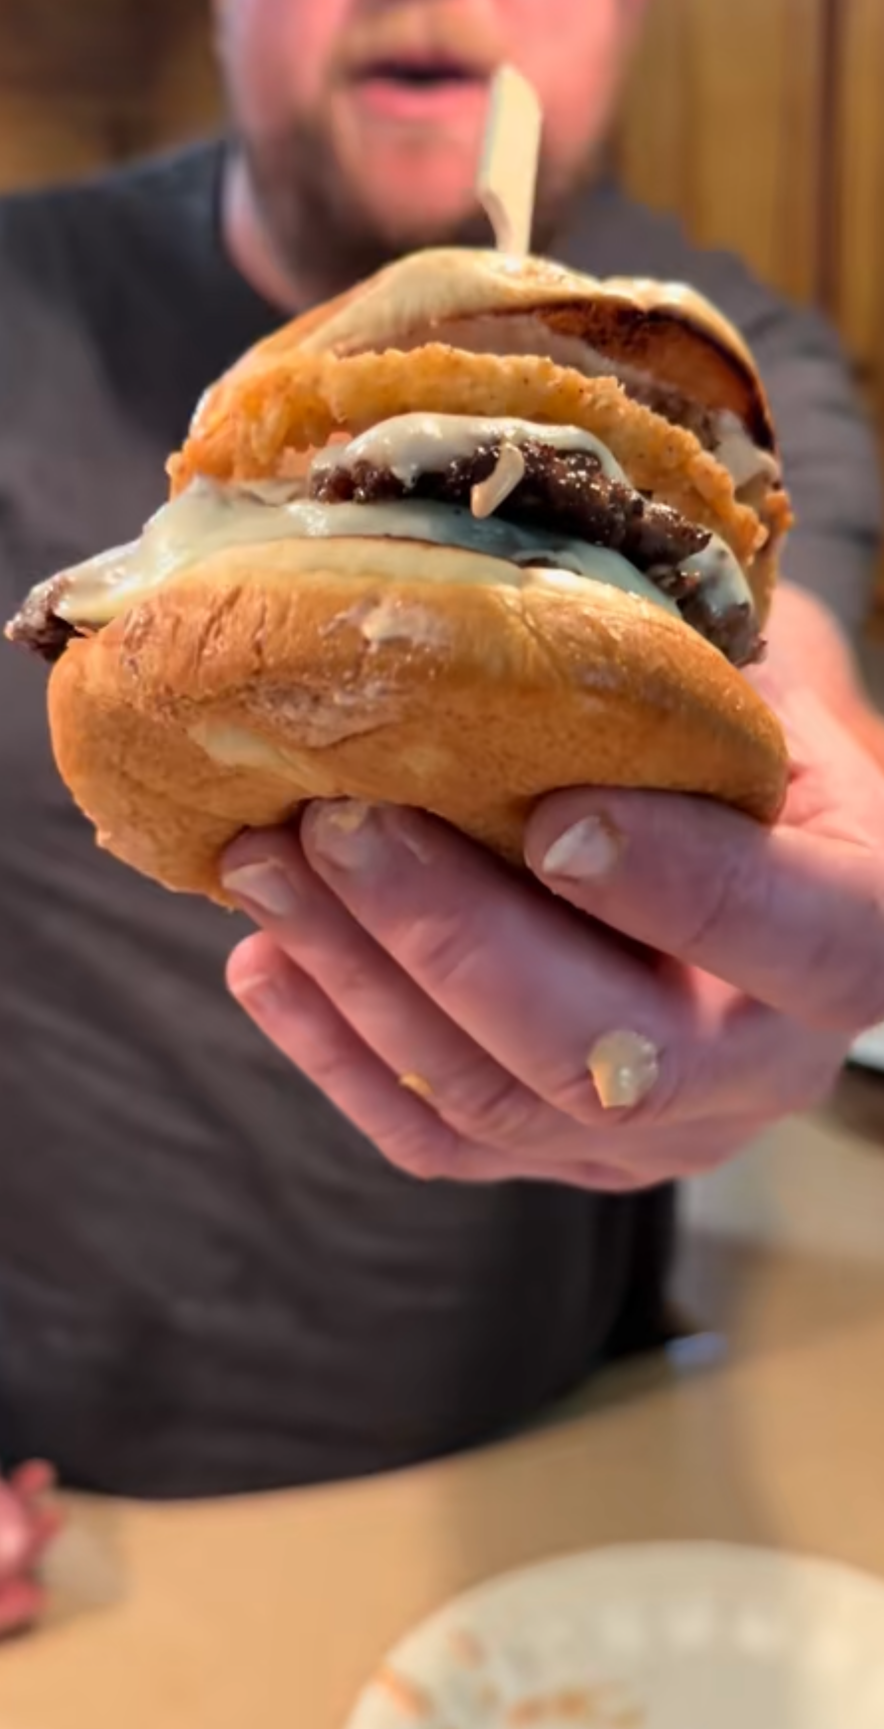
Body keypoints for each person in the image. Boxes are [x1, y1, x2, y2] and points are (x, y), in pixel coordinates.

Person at [1, 0, 883, 1630]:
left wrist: (791, 943)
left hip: (552, 1447)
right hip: (66, 1486)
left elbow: (792, 695)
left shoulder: (720, 368)